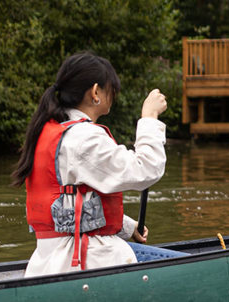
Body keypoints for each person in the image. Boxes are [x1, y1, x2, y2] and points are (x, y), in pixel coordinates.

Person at [11, 52, 179, 276]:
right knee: (198, 269)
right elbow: (146, 169)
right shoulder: (83, 138)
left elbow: (72, 201)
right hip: (85, 260)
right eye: (112, 89)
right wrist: (149, 117)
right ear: (95, 92)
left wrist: (127, 226)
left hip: (50, 259)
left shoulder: (53, 132)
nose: (114, 95)